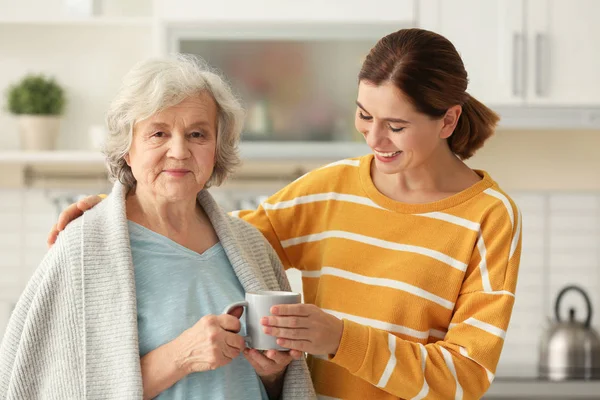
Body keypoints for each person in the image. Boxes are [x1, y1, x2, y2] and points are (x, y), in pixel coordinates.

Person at [47, 28, 522, 399]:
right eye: (364, 116)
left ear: (448, 120)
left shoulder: (489, 217)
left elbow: (467, 375)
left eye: (396, 126)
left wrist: (338, 337)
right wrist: (115, 215)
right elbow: (216, 241)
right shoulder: (330, 189)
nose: (373, 140)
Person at [0, 55, 315, 400]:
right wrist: (181, 356)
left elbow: (279, 387)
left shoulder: (251, 247)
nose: (179, 151)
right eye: (158, 133)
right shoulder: (83, 249)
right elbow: (57, 390)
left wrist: (271, 373)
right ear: (128, 150)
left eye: (197, 134)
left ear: (216, 149)